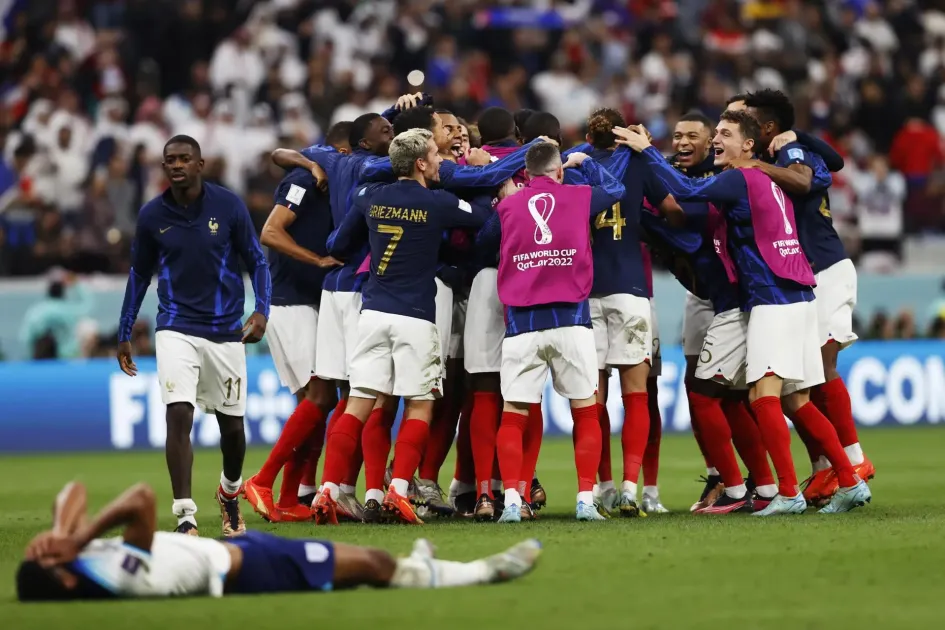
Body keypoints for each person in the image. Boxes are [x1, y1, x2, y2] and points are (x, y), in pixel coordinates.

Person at [613, 113, 871, 516]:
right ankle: (850, 478)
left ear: (749, 145)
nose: (717, 139)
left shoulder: (740, 176)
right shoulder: (771, 176)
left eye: (724, 134)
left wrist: (647, 153)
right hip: (801, 292)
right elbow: (820, 172)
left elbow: (683, 189)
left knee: (761, 395)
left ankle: (784, 492)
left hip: (769, 295)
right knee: (797, 399)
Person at [314, 128, 492, 525]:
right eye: (435, 155)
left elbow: (338, 245)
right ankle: (398, 492)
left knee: (358, 402)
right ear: (421, 164)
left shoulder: (370, 197)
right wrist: (475, 176)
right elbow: (482, 218)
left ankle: (328, 491)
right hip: (415, 317)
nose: (441, 161)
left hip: (373, 314)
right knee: (420, 404)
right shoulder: (436, 202)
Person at [16, 481, 541, 601]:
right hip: (246, 570)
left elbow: (74, 491)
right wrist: (75, 536)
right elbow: (141, 499)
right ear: (65, 575)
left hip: (238, 552)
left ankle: (422, 564)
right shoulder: (112, 577)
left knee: (377, 561)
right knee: (375, 564)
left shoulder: (81, 567)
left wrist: (61, 537)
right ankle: (482, 572)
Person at [116, 135, 272, 536]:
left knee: (233, 430)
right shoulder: (153, 215)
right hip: (176, 328)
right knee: (178, 414)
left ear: (201, 164)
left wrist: (261, 310)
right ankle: (185, 513)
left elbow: (256, 259)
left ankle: (229, 492)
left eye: (185, 158)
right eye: (170, 160)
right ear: (164, 166)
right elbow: (139, 275)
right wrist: (124, 330)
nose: (177, 165)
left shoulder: (228, 205)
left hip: (226, 331)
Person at [477, 142, 626, 522]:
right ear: (559, 171)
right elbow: (615, 190)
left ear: (526, 174)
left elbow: (483, 242)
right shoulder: (579, 196)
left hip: (522, 326)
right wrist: (586, 162)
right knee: (586, 411)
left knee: (513, 414)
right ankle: (584, 500)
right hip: (571, 321)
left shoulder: (508, 206)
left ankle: (511, 500)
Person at [740, 90, 875, 504]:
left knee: (822, 365)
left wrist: (777, 149)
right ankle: (824, 469)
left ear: (765, 129)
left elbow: (807, 176)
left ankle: (853, 461)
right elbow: (833, 161)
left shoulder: (788, 152)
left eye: (748, 123)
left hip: (827, 269)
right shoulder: (785, 149)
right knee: (803, 379)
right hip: (806, 277)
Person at [643, 113, 777, 514]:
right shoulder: (678, 171)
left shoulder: (719, 182)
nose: (683, 142)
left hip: (733, 301)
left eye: (697, 136)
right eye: (678, 135)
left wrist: (640, 206)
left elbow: (682, 220)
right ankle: (762, 484)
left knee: (710, 394)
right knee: (729, 398)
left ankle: (737, 487)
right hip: (715, 298)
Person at [242, 122, 351, 524]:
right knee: (320, 399)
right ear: (343, 152)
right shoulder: (305, 178)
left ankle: (288, 499)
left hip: (309, 302)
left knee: (315, 404)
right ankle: (263, 481)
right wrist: (318, 260)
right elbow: (270, 232)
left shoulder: (327, 175)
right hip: (290, 303)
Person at [577, 108, 675, 518]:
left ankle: (602, 487)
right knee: (635, 395)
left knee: (593, 399)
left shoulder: (575, 163)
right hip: (632, 290)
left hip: (586, 290)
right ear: (622, 133)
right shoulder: (637, 161)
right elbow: (672, 206)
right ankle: (633, 488)